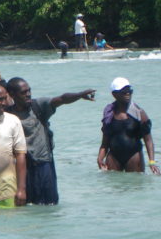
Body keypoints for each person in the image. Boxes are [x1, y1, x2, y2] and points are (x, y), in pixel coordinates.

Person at [6, 77, 96, 205]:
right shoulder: (5, 114)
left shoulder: (38, 106)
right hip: (20, 168)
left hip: (43, 165)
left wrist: (79, 95)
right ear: (12, 95)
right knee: (24, 206)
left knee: (49, 205)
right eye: (23, 92)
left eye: (29, 90)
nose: (28, 94)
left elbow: (61, 99)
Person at [97, 77, 161, 175]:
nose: (128, 93)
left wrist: (152, 162)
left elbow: (148, 140)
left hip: (134, 156)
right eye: (124, 91)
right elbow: (105, 142)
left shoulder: (139, 113)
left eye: (129, 90)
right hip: (113, 157)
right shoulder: (109, 114)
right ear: (114, 94)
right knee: (113, 189)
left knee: (135, 187)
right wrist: (100, 158)